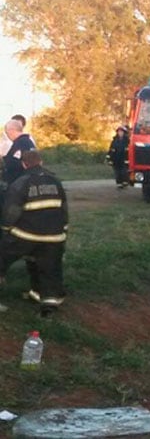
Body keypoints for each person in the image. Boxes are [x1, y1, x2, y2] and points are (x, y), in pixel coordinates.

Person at [0, 150, 69, 317]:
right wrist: (63, 230)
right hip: (54, 237)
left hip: (26, 235)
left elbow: (11, 212)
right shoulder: (55, 181)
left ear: (24, 164)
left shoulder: (21, 183)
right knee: (50, 268)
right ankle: (48, 306)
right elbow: (64, 209)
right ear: (42, 162)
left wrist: (6, 230)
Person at [3, 119, 37, 185]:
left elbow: (14, 163)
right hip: (30, 181)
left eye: (7, 133)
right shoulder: (29, 142)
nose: (7, 136)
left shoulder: (20, 143)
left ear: (11, 130)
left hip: (20, 184)